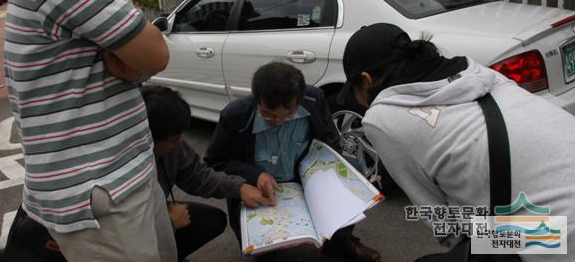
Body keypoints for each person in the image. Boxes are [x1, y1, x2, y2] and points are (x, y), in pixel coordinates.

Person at [3, 0, 175, 262]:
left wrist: (132, 63)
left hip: (119, 175)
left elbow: (137, 59)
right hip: (100, 189)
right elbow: (156, 53)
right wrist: (135, 63)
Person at [338, 23, 575, 261]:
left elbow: (443, 222)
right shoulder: (479, 73)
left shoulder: (382, 118)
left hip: (550, 235)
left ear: (367, 81)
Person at [204, 62, 381, 262]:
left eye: (288, 114)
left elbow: (331, 144)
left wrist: (326, 179)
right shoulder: (236, 115)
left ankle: (339, 241)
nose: (278, 120)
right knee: (282, 253)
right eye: (269, 115)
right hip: (260, 189)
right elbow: (215, 161)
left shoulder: (314, 99)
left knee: (352, 170)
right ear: (257, 99)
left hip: (303, 178)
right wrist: (255, 175)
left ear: (299, 99)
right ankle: (268, 250)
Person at [140, 85, 271, 261]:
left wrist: (239, 187)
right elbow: (116, 233)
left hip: (155, 210)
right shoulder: (117, 168)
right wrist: (166, 223)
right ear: (147, 139)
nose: (181, 141)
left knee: (212, 220)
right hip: (130, 231)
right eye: (173, 140)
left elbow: (198, 176)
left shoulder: (174, 146)